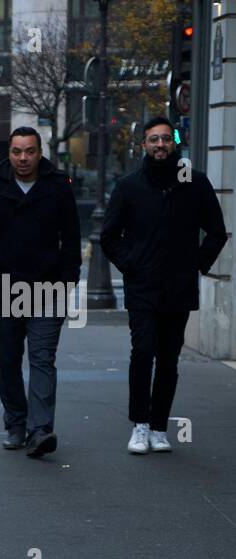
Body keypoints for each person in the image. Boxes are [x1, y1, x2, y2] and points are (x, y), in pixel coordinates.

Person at [101, 116, 227, 455]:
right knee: (143, 352)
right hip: (142, 287)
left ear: (175, 144)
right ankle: (139, 425)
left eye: (165, 140)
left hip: (178, 288)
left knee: (169, 360)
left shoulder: (194, 184)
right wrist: (130, 266)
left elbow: (217, 232)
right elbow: (109, 237)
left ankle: (159, 427)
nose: (160, 145)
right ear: (143, 145)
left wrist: (197, 265)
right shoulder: (129, 186)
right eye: (153, 140)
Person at [0, 126, 81, 458]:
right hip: (0, 290)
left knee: (43, 359)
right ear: (9, 152)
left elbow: (72, 238)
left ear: (39, 152)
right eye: (17, 151)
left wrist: (67, 281)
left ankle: (40, 429)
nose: (22, 158)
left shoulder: (58, 187)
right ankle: (16, 424)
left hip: (47, 288)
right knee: (7, 361)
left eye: (29, 151)